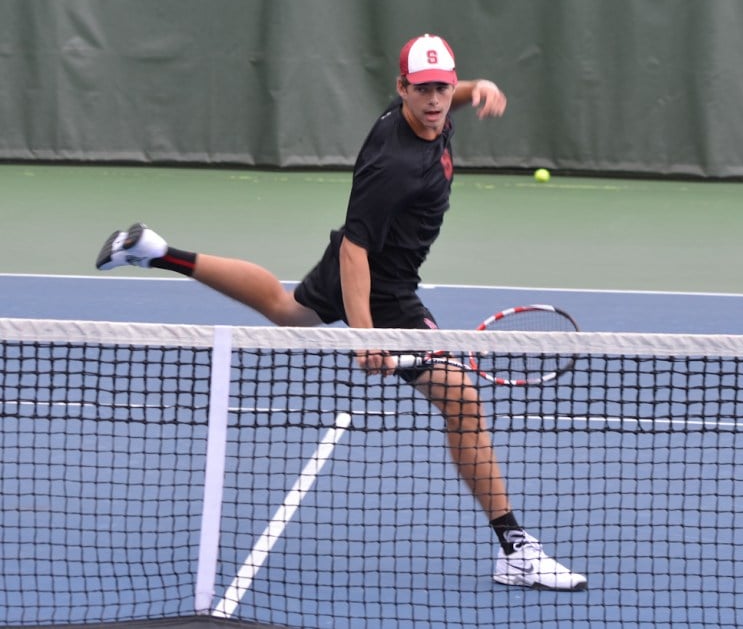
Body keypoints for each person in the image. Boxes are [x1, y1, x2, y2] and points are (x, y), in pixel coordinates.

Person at [95, 34, 587, 591]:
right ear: (401, 88)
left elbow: (453, 96)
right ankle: (515, 548)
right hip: (382, 286)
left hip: (371, 267)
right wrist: (366, 336)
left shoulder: (432, 112)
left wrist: (480, 90)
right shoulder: (395, 164)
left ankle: (156, 251)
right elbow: (356, 252)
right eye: (422, 89)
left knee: (288, 311)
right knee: (463, 400)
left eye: (442, 89)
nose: (433, 100)